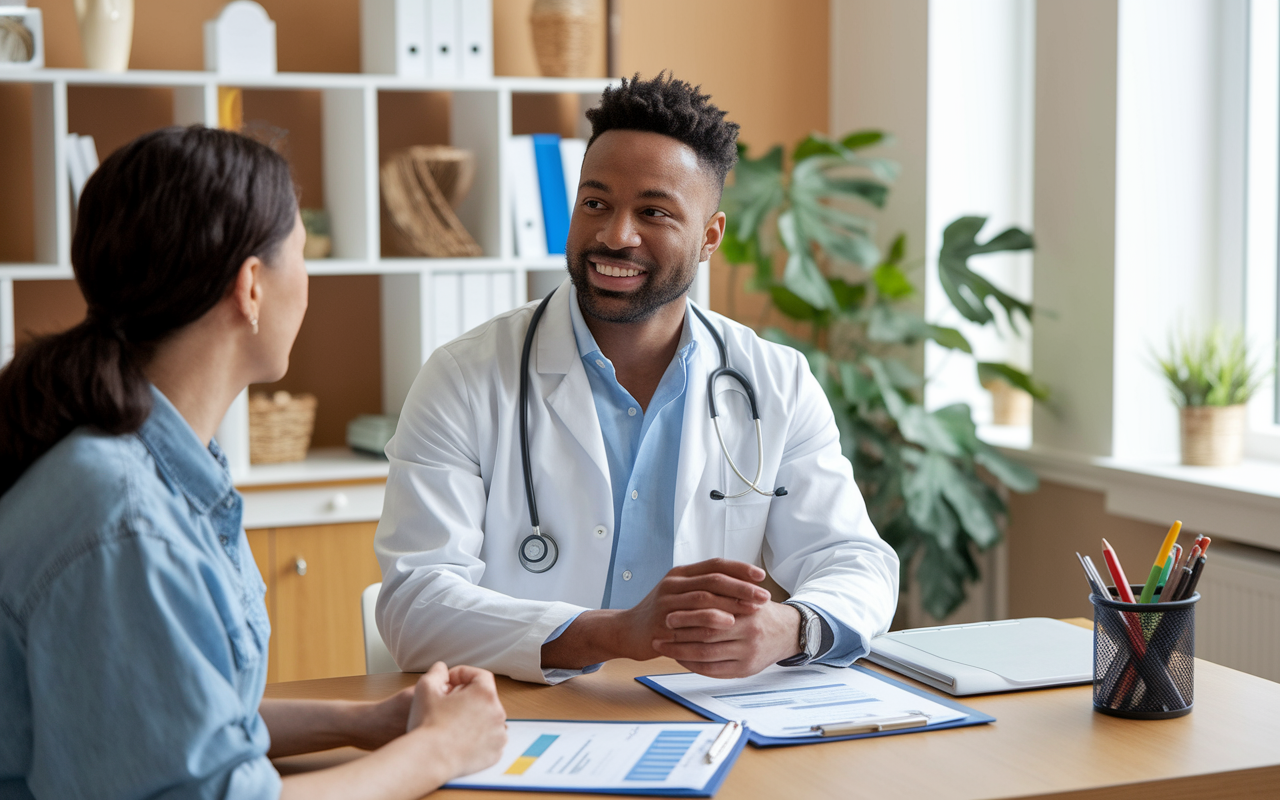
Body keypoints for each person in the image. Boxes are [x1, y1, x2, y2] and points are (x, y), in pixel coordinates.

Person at [0, 126, 507, 800]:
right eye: (300, 256)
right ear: (251, 286)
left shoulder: (159, 464)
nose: (309, 283)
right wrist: (438, 751)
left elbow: (187, 724)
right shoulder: (123, 521)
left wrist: (371, 722)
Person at [375, 73, 900, 686]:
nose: (614, 235)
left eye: (653, 212)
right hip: (523, 717)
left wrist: (793, 626)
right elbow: (414, 605)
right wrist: (617, 633)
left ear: (710, 237)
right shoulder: (466, 377)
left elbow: (855, 561)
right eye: (595, 203)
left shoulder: (774, 382)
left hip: (705, 718)